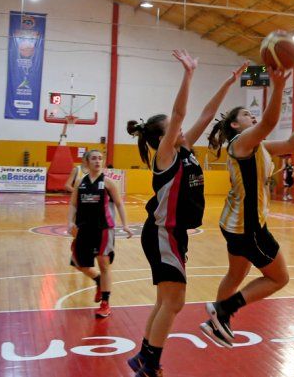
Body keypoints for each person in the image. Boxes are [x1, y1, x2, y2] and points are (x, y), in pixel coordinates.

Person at [125, 51, 243, 377]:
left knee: (165, 301)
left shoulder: (184, 148)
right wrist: (188, 74)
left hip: (170, 234)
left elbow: (207, 114)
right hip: (163, 233)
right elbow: (180, 113)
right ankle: (150, 365)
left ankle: (143, 356)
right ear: (164, 136)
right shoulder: (165, 155)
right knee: (174, 303)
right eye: (174, 128)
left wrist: (228, 83)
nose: (181, 130)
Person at [200, 68, 294, 349]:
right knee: (279, 278)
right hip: (248, 227)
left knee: (235, 275)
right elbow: (270, 121)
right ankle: (224, 310)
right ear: (236, 125)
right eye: (247, 115)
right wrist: (278, 85)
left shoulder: (259, 145)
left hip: (235, 223)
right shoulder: (241, 143)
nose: (253, 117)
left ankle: (217, 322)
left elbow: (292, 144)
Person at [67, 149, 132, 319]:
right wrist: (70, 222)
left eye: (100, 158)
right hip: (83, 229)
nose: (97, 161)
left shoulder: (108, 182)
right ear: (87, 162)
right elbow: (73, 204)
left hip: (103, 229)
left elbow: (119, 204)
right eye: (94, 158)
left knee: (104, 264)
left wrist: (125, 225)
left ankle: (105, 303)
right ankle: (97, 280)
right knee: (78, 263)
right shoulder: (80, 182)